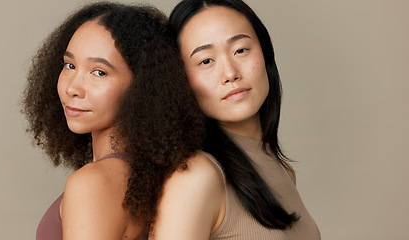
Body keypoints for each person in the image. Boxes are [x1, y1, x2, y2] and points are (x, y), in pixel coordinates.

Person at [21, 2, 206, 240]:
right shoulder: (143, 178)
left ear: (142, 89)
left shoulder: (93, 184)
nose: (72, 88)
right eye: (70, 65)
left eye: (99, 72)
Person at [150, 0, 321, 239]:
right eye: (206, 61)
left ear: (265, 53)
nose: (230, 73)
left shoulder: (282, 169)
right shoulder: (196, 176)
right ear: (181, 80)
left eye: (240, 50)